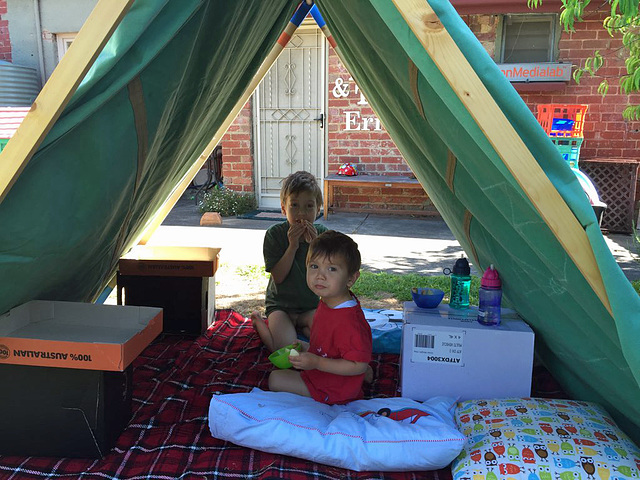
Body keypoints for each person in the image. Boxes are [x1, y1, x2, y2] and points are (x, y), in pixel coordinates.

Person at [268, 230, 372, 405]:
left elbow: (358, 365)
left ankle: (358, 381)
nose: (320, 276)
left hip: (334, 388)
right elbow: (330, 345)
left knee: (274, 379)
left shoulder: (348, 321)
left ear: (351, 278)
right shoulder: (329, 301)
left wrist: (316, 362)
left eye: (332, 269)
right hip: (327, 372)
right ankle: (363, 376)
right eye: (314, 266)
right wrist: (308, 348)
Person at [251, 171, 328, 352]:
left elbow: (326, 277)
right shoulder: (275, 234)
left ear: (318, 209)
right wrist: (292, 246)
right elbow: (278, 277)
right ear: (284, 208)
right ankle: (259, 321)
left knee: (328, 338)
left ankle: (300, 330)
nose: (302, 213)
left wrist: (314, 247)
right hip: (280, 306)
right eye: (294, 205)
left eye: (309, 206)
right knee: (286, 351)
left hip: (309, 305)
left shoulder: (322, 234)